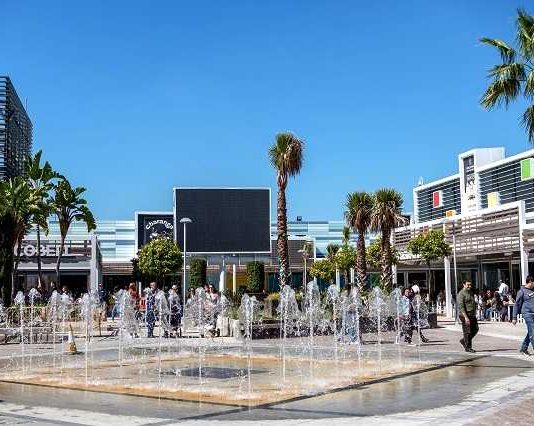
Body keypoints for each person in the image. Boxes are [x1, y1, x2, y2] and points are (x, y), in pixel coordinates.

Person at [512, 275, 534, 356]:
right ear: (530, 282)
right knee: (533, 332)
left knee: (531, 332)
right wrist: (514, 317)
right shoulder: (522, 291)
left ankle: (523, 348)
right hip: (527, 314)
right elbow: (516, 305)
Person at [457, 281, 478, 353]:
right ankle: (468, 347)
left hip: (472, 315)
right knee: (467, 332)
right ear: (464, 285)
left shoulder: (470, 292)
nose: (469, 286)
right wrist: (466, 317)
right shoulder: (461, 294)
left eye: (470, 285)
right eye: (468, 285)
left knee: (475, 329)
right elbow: (461, 307)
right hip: (464, 315)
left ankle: (464, 341)